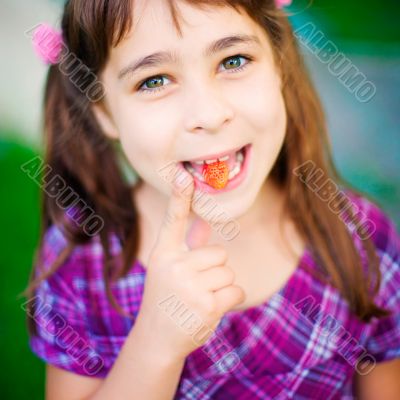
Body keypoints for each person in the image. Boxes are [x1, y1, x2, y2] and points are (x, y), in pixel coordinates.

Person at [24, 0, 400, 398]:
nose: (209, 113)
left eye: (234, 60)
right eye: (154, 81)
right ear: (103, 110)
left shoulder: (359, 238)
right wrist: (154, 345)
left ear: (279, 65)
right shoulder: (84, 265)